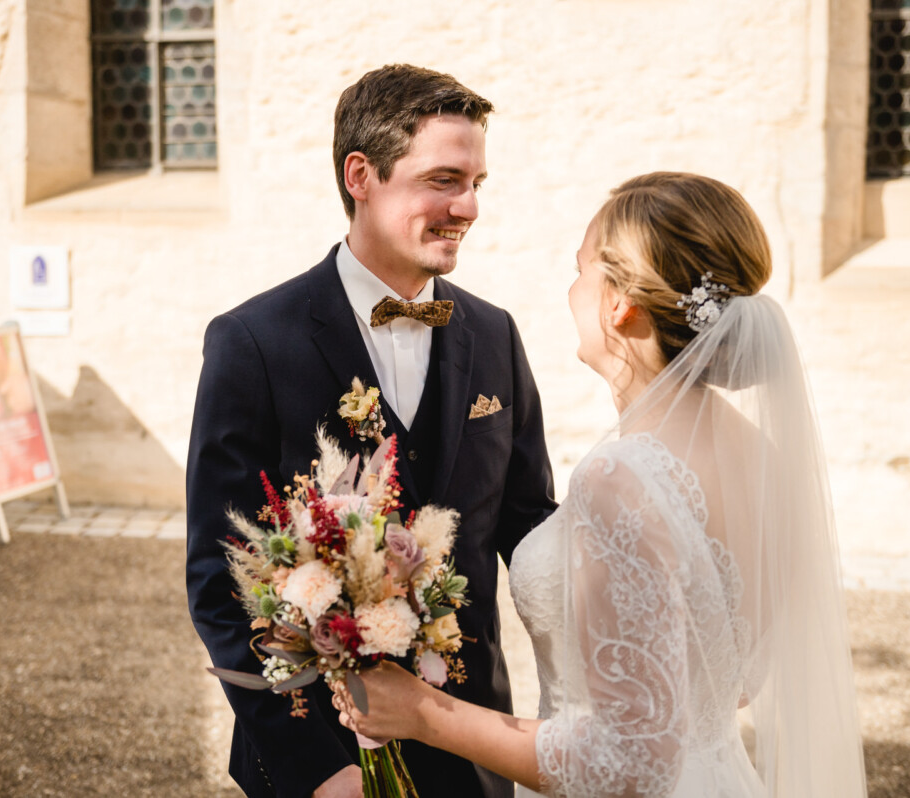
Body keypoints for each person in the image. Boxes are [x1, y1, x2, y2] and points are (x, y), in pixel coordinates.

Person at [334, 172, 869, 797]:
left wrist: (422, 714)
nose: (572, 290)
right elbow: (734, 679)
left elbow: (629, 765)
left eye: (581, 269)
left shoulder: (621, 477)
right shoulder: (764, 458)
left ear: (618, 301)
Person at [186, 64, 557, 798]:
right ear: (361, 175)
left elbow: (532, 528)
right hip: (319, 759)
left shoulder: (494, 334)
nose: (471, 206)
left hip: (472, 752)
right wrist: (319, 770)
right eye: (445, 180)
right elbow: (220, 576)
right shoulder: (254, 343)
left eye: (478, 181)